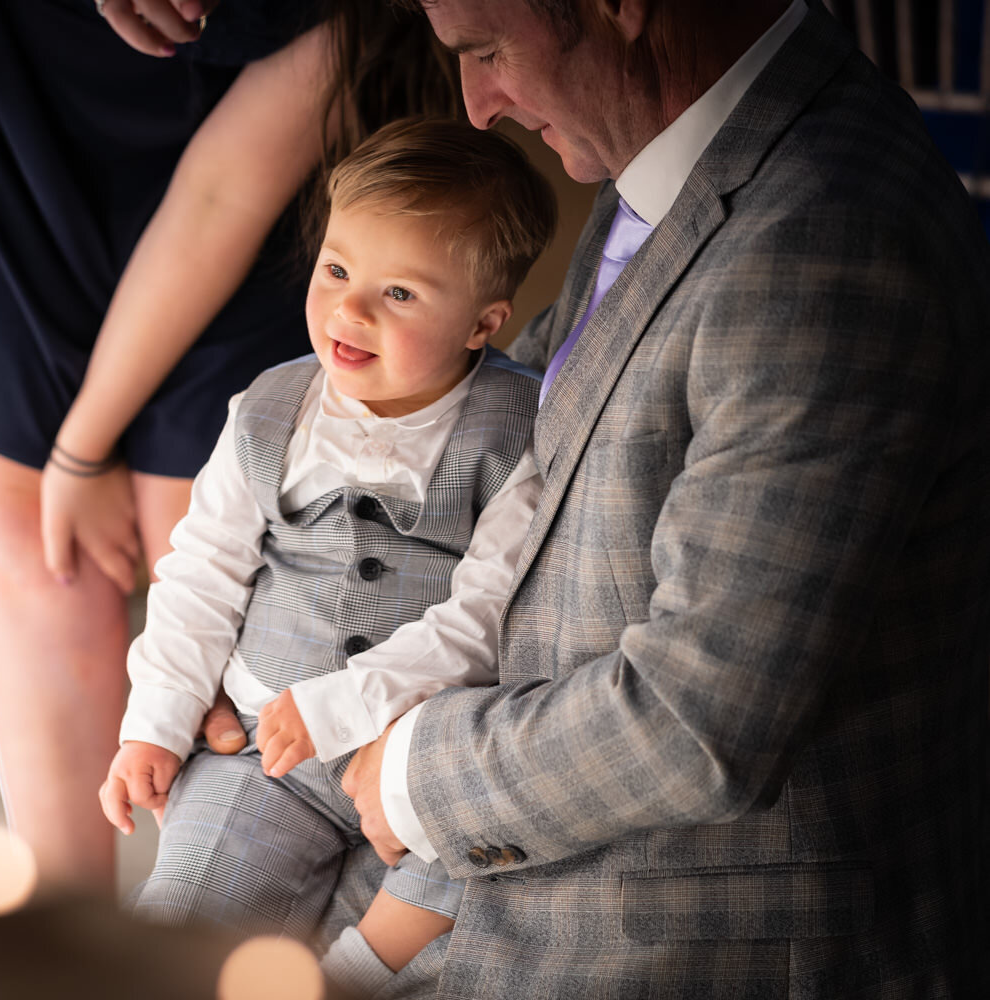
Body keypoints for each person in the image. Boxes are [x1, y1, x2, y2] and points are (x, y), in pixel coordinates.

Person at [309, 1, 990, 995]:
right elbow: (544, 420)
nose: (477, 106)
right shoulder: (689, 153)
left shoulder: (824, 237)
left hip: (698, 947)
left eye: (490, 50)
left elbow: (696, 716)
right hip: (528, 861)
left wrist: (418, 777)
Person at [0, 0, 460, 891]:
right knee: (39, 549)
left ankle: (205, 915)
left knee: (211, 554)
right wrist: (66, 467)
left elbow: (218, 195)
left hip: (238, 168)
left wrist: (84, 449)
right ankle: (66, 940)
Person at [100, 117, 556, 996]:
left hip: (424, 754)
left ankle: (350, 977)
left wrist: (354, 706)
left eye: (402, 294)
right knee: (184, 918)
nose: (350, 309)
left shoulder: (517, 433)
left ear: (482, 324)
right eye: (338, 270)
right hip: (264, 755)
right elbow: (200, 573)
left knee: (475, 893)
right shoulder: (269, 410)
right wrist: (155, 719)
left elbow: (488, 615)